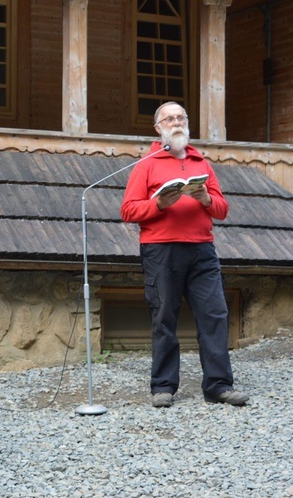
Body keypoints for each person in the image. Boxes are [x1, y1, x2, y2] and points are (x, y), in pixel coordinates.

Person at [120, 101, 249, 408]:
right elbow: (127, 210)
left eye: (180, 117)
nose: (176, 122)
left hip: (202, 250)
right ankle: (163, 386)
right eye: (169, 118)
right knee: (164, 316)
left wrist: (205, 198)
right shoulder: (147, 164)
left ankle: (218, 385)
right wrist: (159, 205)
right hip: (161, 250)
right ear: (158, 128)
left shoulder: (201, 163)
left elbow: (223, 209)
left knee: (215, 315)